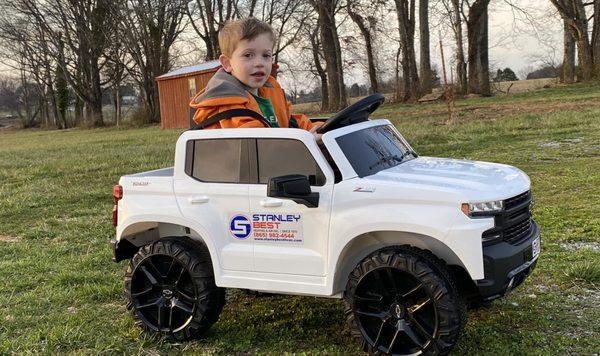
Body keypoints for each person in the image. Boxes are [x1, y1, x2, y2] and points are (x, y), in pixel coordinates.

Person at [190, 18, 322, 138]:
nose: (259, 63)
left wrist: (318, 129)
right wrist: (307, 141)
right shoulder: (228, 104)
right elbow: (258, 145)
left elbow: (291, 122)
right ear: (227, 63)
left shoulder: (271, 91)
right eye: (248, 55)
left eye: (266, 55)